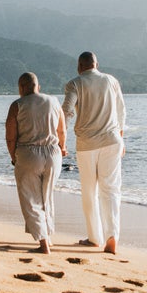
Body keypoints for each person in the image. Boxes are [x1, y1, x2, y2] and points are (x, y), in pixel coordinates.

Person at [62, 51, 125, 255]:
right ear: (97, 64)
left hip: (87, 144)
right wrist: (121, 138)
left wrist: (60, 140)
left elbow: (67, 111)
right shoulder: (111, 80)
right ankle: (112, 236)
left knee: (90, 191)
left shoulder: (74, 84)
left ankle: (94, 238)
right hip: (112, 140)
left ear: (79, 66)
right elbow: (121, 111)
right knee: (111, 190)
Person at [5, 72, 67, 254]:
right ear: (38, 87)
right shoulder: (54, 101)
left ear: (21, 88)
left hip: (28, 152)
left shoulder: (17, 105)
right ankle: (48, 236)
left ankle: (43, 244)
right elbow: (61, 130)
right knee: (47, 197)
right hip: (53, 154)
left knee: (31, 200)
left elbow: (10, 136)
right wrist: (62, 148)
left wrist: (14, 157)